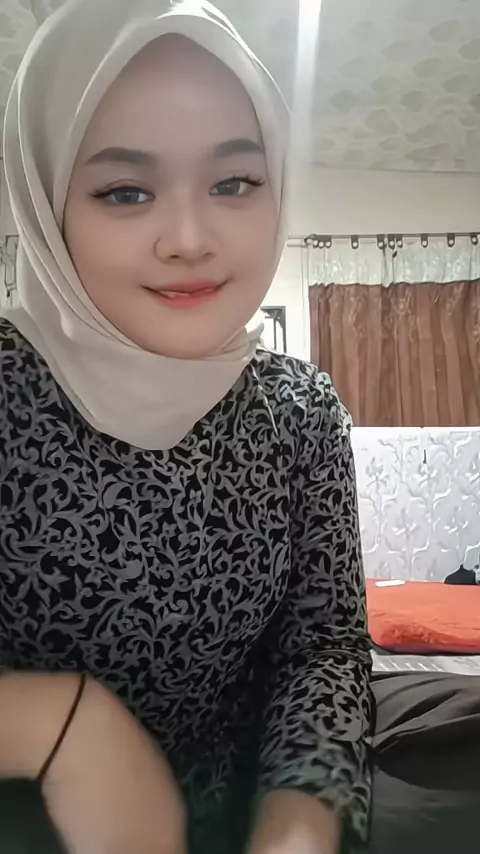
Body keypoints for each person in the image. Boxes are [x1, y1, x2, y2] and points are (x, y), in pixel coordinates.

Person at [0, 1, 373, 853]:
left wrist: (300, 825)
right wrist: (59, 725)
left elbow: (323, 649)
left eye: (234, 183)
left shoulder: (299, 409)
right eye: (125, 192)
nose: (191, 239)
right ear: (48, 202)